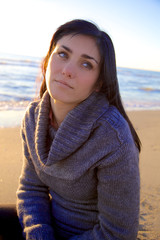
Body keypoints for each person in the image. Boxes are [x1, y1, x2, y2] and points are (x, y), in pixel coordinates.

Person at [15, 19, 141, 240]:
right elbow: (31, 188)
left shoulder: (113, 138)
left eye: (86, 64)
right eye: (63, 54)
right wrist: (38, 235)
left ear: (99, 82)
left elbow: (117, 233)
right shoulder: (33, 117)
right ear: (47, 60)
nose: (67, 70)